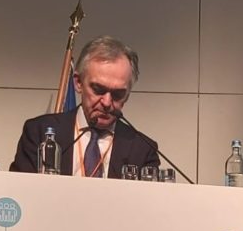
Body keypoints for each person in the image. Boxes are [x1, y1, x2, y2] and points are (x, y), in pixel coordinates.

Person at [10, 35, 159, 177]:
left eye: (118, 94)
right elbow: (19, 189)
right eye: (98, 89)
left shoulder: (143, 149)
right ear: (78, 83)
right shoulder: (38, 132)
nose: (107, 102)